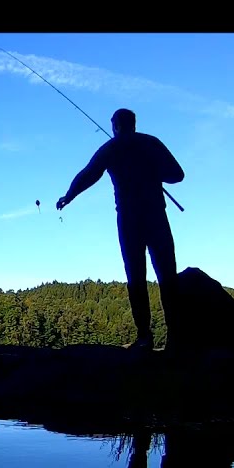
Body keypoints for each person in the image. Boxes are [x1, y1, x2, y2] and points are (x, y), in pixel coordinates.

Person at [56, 108, 185, 351]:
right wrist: (153, 172)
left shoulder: (111, 148)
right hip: (157, 215)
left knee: (135, 277)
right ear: (134, 124)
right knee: (167, 275)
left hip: (128, 219)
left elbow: (88, 175)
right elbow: (177, 175)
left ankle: (144, 337)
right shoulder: (151, 143)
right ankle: (176, 337)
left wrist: (68, 196)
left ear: (115, 126)